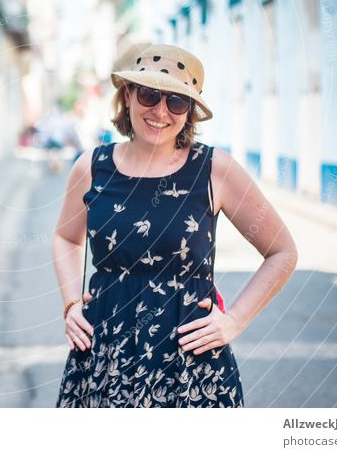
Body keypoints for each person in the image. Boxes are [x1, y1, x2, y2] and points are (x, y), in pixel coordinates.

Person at [52, 44, 298, 407]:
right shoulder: (91, 167)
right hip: (103, 358)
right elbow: (65, 237)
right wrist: (72, 303)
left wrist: (234, 322)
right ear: (128, 96)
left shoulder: (215, 170)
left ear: (190, 112)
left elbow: (282, 252)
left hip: (189, 367)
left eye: (176, 102)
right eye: (150, 95)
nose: (160, 111)